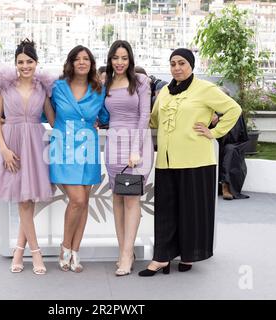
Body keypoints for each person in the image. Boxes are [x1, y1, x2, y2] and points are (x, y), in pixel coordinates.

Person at [139, 48, 242, 276]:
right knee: (165, 212)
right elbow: (154, 119)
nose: (177, 68)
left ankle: (189, 254)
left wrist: (214, 132)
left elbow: (234, 109)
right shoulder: (165, 91)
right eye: (173, 63)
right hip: (166, 162)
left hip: (196, 161)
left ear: (191, 65)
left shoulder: (205, 89)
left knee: (191, 212)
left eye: (182, 63)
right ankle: (161, 258)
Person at [0, 39, 55, 275]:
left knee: (28, 201)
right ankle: (35, 253)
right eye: (20, 62)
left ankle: (19, 250)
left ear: (36, 62)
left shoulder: (43, 88)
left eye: (29, 61)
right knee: (23, 201)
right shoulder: (5, 86)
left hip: (35, 145)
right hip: (12, 146)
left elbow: (53, 120)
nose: (25, 66)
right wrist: (3, 149)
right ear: (15, 64)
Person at [49, 45, 109, 273]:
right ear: (71, 62)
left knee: (84, 201)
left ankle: (75, 252)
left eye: (86, 59)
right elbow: (45, 111)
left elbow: (104, 115)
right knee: (77, 200)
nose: (82, 62)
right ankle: (65, 247)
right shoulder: (57, 87)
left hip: (88, 147)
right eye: (78, 59)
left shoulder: (98, 89)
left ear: (92, 64)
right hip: (63, 146)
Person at [104, 40, 153, 276]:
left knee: (132, 200)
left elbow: (144, 116)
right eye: (116, 58)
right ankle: (125, 250)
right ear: (110, 59)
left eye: (124, 58)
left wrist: (136, 149)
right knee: (117, 199)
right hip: (113, 145)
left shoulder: (141, 81)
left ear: (130, 59)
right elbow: (103, 112)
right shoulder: (107, 83)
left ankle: (126, 254)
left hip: (135, 146)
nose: (120, 62)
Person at [211, 112, 250, 200]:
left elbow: (237, 135)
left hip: (232, 142)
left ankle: (226, 186)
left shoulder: (232, 108)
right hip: (206, 137)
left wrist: (219, 119)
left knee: (230, 150)